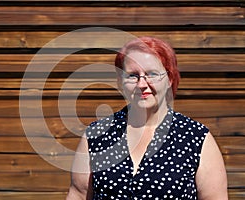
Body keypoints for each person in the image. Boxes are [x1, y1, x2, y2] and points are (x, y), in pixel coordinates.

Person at [66, 36, 228, 199]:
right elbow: (78, 194)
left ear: (170, 79)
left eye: (152, 74)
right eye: (132, 75)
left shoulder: (196, 138)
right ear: (120, 82)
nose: (142, 84)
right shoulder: (97, 135)